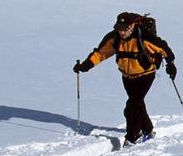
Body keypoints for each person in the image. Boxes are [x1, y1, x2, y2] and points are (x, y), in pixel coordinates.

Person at [74, 12, 177, 145]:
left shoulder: (144, 37)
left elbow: (165, 49)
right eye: (119, 28)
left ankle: (132, 137)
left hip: (145, 75)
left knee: (131, 106)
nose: (122, 32)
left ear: (132, 26)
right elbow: (100, 54)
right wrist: (85, 66)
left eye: (125, 29)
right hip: (127, 77)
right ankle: (148, 131)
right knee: (138, 104)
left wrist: (171, 65)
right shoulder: (114, 38)